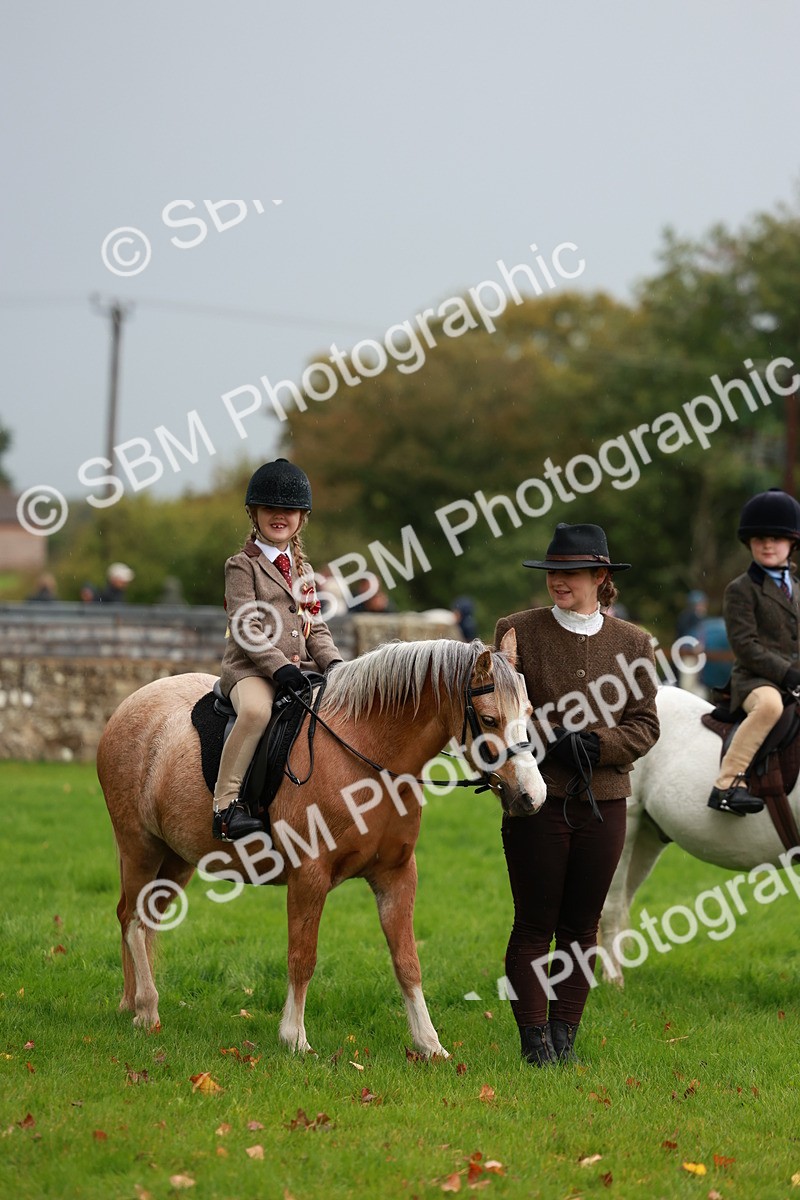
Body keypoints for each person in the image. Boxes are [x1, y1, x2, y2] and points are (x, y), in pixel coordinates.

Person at [494, 523, 659, 1068]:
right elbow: (501, 712)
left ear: (600, 576)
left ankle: (564, 1037)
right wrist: (550, 738)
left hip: (605, 803)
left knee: (582, 927)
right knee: (534, 924)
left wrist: (597, 744)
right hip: (536, 801)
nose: (558, 582)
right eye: (552, 573)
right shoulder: (516, 631)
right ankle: (533, 1042)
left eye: (570, 573)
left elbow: (645, 726)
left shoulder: (634, 642)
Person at [213, 459, 343, 841]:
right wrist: (278, 667)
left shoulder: (302, 569)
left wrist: (335, 664)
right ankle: (225, 808)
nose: (279, 516)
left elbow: (315, 627)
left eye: (289, 509)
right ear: (253, 513)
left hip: (298, 671)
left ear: (302, 517)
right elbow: (245, 625)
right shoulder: (242, 566)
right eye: (270, 508)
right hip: (250, 671)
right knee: (256, 712)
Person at [707, 488, 800, 817]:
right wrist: (787, 673)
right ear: (749, 543)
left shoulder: (797, 588)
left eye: (776, 538)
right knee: (770, 707)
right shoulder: (741, 589)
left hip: (794, 679)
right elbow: (745, 646)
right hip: (756, 681)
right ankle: (728, 784)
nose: (767, 545)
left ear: (792, 542)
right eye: (760, 538)